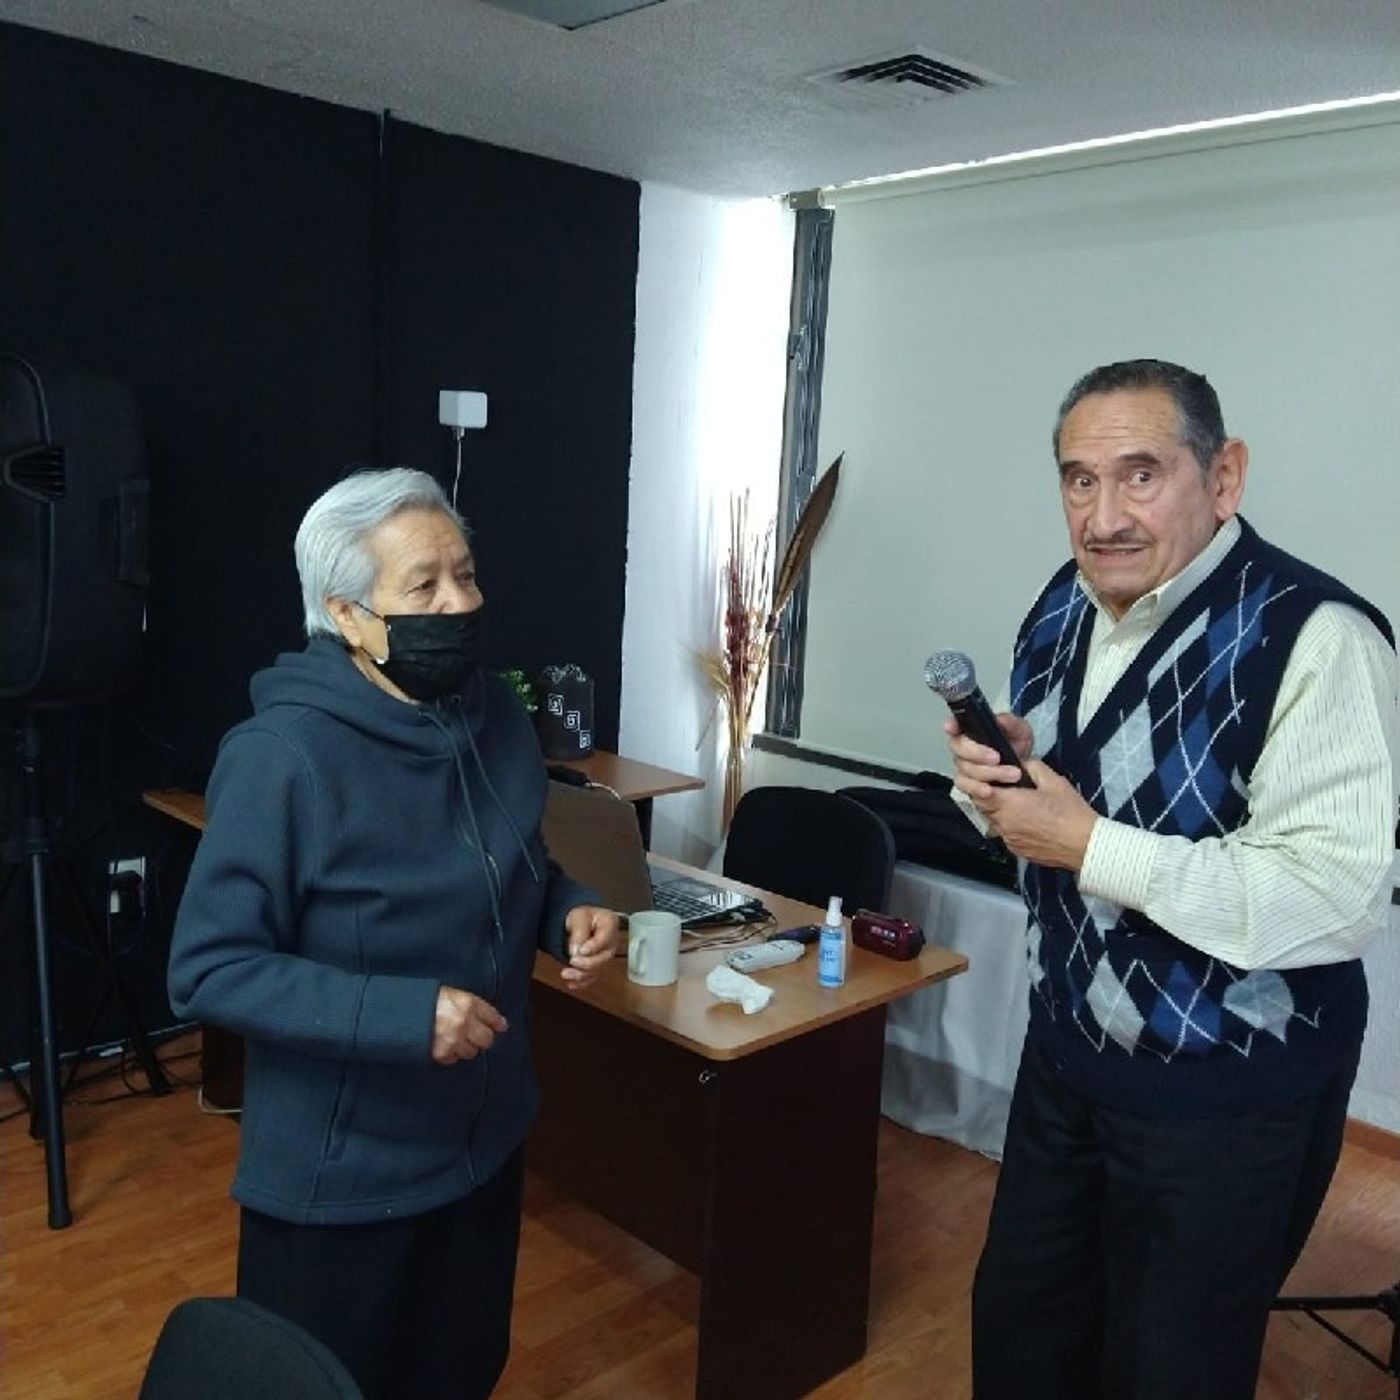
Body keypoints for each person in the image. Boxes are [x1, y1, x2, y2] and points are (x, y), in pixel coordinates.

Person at [945, 360, 1399, 1400]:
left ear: (1223, 476)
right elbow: (1049, 811)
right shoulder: (1059, 604)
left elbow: (1330, 900)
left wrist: (1087, 843)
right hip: (1067, 1059)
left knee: (1169, 1368)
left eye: (1140, 476)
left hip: (1226, 1100)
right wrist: (995, 787)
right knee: (1022, 1336)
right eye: (1079, 480)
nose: (1103, 516)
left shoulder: (1319, 639)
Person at [168, 467, 620, 1400]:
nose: (459, 602)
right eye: (424, 586)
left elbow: (512, 857)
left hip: (483, 1143)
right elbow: (209, 968)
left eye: (466, 574)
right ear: (348, 615)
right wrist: (404, 1017)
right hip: (346, 1178)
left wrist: (564, 907)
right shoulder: (281, 757)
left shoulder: (498, 715)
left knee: (460, 1371)